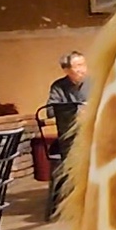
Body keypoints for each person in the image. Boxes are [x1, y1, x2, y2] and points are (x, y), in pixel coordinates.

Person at [44, 51, 88, 217]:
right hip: (69, 138)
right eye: (77, 66)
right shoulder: (58, 86)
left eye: (83, 65)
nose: (82, 69)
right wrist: (73, 109)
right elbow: (49, 111)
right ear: (66, 70)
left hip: (93, 135)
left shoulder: (95, 83)